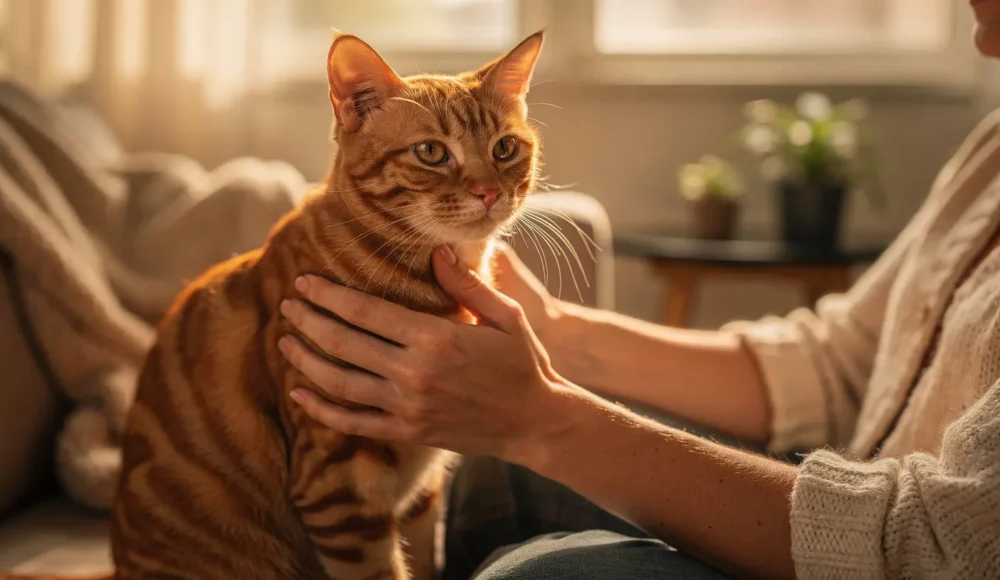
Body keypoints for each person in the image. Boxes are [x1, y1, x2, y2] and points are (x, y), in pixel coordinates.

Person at [276, 1, 1000, 577]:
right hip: (859, 474)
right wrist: (556, 332)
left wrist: (546, 420)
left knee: (538, 577)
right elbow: (836, 365)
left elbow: (941, 547)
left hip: (890, 544)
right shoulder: (990, 150)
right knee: (487, 482)